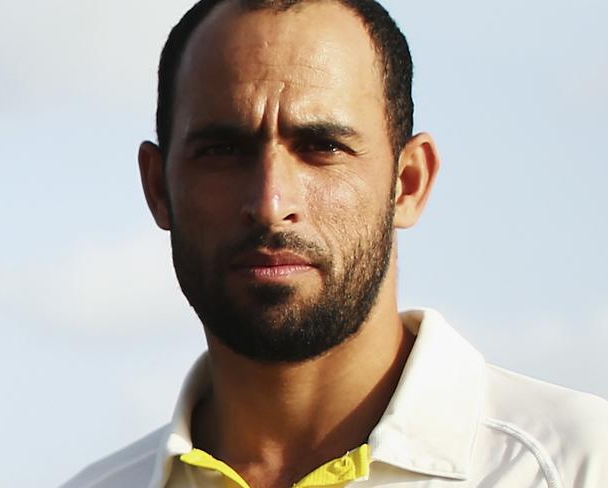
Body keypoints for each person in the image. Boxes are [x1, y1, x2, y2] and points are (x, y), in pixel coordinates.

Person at [61, 0, 608, 486]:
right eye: (223, 151)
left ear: (409, 183)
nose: (272, 203)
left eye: (323, 146)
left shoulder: (579, 465)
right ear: (158, 188)